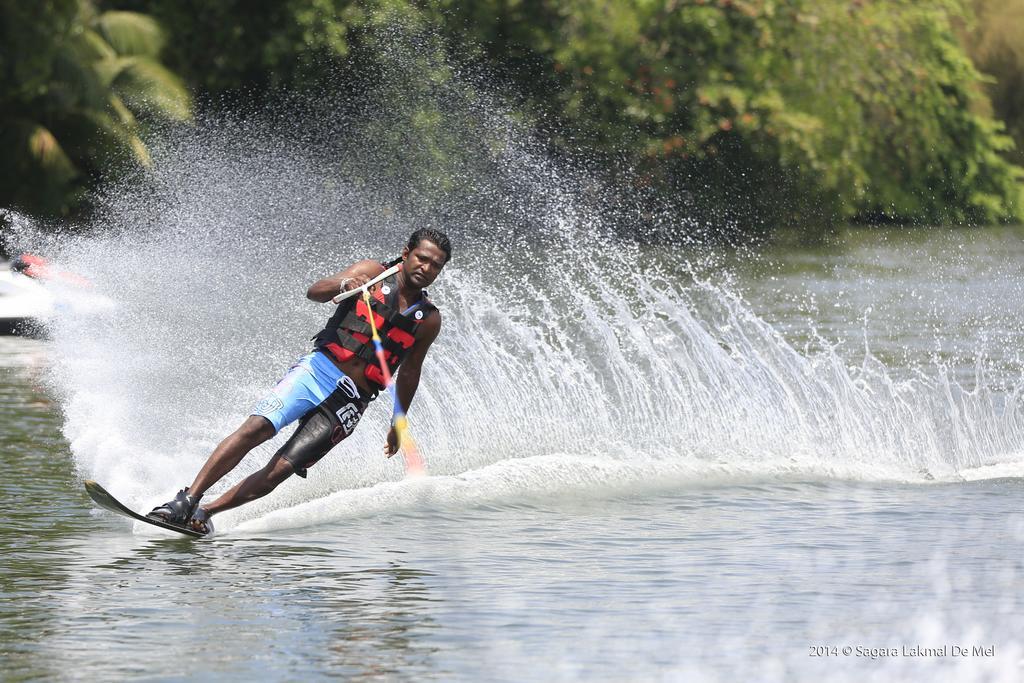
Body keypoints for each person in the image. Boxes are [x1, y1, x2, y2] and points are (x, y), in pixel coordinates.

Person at [147, 228, 451, 534]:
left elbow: (411, 371)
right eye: (422, 258)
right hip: (318, 372)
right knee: (257, 428)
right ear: (406, 253)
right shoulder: (371, 273)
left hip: (351, 400)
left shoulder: (428, 319)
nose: (426, 268)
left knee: (280, 470)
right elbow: (316, 291)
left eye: (435, 265)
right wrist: (344, 284)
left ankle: (205, 511)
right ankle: (186, 500)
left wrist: (399, 420)